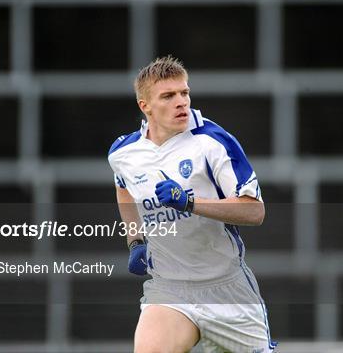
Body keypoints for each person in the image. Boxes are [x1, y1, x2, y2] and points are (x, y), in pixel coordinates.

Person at [108, 56, 276, 352]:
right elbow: (124, 189)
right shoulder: (124, 153)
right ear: (144, 106)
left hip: (227, 290)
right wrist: (135, 240)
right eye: (168, 96)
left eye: (184, 93)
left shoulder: (212, 141)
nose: (181, 102)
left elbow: (254, 210)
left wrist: (189, 202)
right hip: (169, 288)